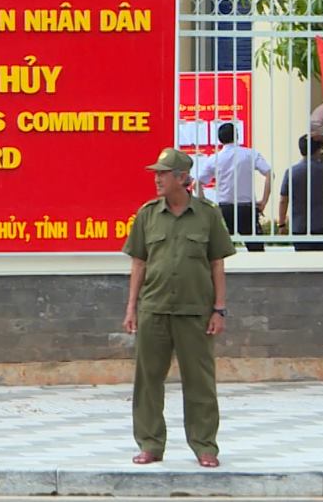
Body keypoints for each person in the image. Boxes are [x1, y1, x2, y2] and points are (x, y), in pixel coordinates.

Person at [123, 147, 234, 468]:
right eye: (156, 174)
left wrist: (219, 309)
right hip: (154, 309)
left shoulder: (207, 215)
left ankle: (204, 445)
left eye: (163, 174)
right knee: (148, 381)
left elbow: (217, 264)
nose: (157, 179)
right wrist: (131, 308)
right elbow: (138, 263)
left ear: (182, 178)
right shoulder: (147, 215)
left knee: (200, 382)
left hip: (195, 312)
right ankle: (150, 444)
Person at [194, 122, 272, 251]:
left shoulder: (215, 159)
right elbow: (269, 173)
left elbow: (197, 183)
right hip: (246, 208)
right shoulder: (250, 154)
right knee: (256, 250)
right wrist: (264, 201)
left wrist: (206, 205)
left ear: (220, 139)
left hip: (225, 209)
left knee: (222, 251)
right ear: (237, 136)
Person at [277, 134, 323, 251]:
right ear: (318, 149)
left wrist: (282, 224)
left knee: (303, 260)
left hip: (299, 226)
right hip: (321, 224)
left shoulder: (291, 172)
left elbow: (283, 200)